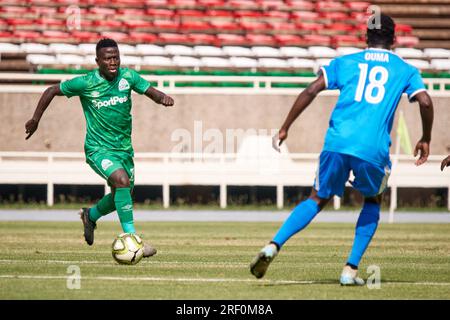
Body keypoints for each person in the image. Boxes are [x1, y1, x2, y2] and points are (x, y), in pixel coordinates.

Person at [250, 14, 434, 285]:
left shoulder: (345, 63)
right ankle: (350, 270)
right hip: (372, 149)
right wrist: (426, 137)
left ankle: (273, 245)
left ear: (365, 37)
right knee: (372, 200)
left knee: (317, 198)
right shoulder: (405, 70)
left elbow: (312, 90)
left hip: (336, 143)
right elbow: (426, 102)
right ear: (394, 39)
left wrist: (285, 127)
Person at [25, 38, 174, 257]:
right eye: (108, 58)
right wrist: (36, 119)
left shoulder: (128, 76)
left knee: (121, 196)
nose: (113, 62)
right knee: (122, 181)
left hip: (124, 149)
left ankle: (90, 216)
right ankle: (134, 240)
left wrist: (163, 98)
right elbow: (51, 91)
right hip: (98, 149)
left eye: (116, 57)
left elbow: (150, 91)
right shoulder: (86, 83)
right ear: (98, 61)